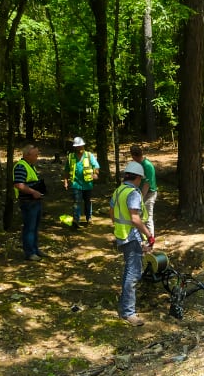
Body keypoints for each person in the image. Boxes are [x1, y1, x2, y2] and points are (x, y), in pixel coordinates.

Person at [110, 161, 155, 326]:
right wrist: (149, 236)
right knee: (133, 273)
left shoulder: (118, 191)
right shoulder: (133, 193)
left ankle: (124, 306)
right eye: (141, 179)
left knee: (129, 270)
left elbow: (112, 213)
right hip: (131, 237)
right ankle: (128, 312)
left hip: (122, 235)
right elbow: (135, 218)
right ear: (137, 178)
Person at [14, 145, 46, 261]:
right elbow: (19, 184)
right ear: (27, 155)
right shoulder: (21, 167)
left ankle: (35, 249)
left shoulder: (30, 166)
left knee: (35, 227)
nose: (37, 157)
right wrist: (33, 192)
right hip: (28, 202)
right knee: (29, 228)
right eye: (35, 155)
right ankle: (30, 253)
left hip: (35, 201)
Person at [62, 136, 100, 228]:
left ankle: (89, 218)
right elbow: (66, 170)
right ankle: (76, 220)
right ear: (75, 147)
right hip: (76, 184)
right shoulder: (70, 157)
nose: (80, 148)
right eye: (78, 146)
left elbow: (96, 166)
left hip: (87, 184)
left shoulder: (89, 155)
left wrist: (95, 174)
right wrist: (65, 181)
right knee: (76, 202)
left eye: (81, 146)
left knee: (88, 202)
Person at [130, 145, 157, 235]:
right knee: (140, 216)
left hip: (149, 194)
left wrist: (140, 198)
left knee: (148, 217)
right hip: (140, 193)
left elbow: (147, 184)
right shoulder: (139, 165)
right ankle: (141, 237)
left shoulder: (147, 166)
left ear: (134, 156)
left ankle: (150, 240)